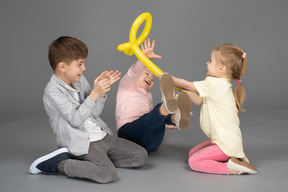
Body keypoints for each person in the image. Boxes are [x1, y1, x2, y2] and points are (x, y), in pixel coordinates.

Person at [29, 36, 148, 183]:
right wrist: (95, 93)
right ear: (62, 66)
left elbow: (94, 113)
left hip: (102, 136)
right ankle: (60, 164)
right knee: (107, 174)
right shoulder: (52, 90)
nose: (83, 68)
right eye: (80, 64)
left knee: (140, 156)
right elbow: (75, 120)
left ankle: (95, 163)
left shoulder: (79, 80)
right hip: (82, 143)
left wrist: (101, 92)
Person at [160, 43, 258, 175]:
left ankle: (231, 168)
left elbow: (188, 86)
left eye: (210, 60)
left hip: (225, 145)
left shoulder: (215, 84)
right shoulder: (222, 85)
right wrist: (180, 89)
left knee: (194, 161)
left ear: (221, 69)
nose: (207, 63)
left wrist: (167, 78)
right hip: (224, 142)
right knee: (191, 153)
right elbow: (199, 100)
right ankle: (235, 156)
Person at [116, 38, 192, 153]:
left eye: (153, 78)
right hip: (129, 135)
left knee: (156, 117)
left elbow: (151, 119)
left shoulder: (148, 96)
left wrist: (164, 125)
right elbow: (132, 72)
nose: (150, 78)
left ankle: (174, 118)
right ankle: (169, 111)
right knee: (158, 110)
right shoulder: (127, 85)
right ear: (136, 76)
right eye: (147, 73)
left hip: (151, 144)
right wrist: (144, 58)